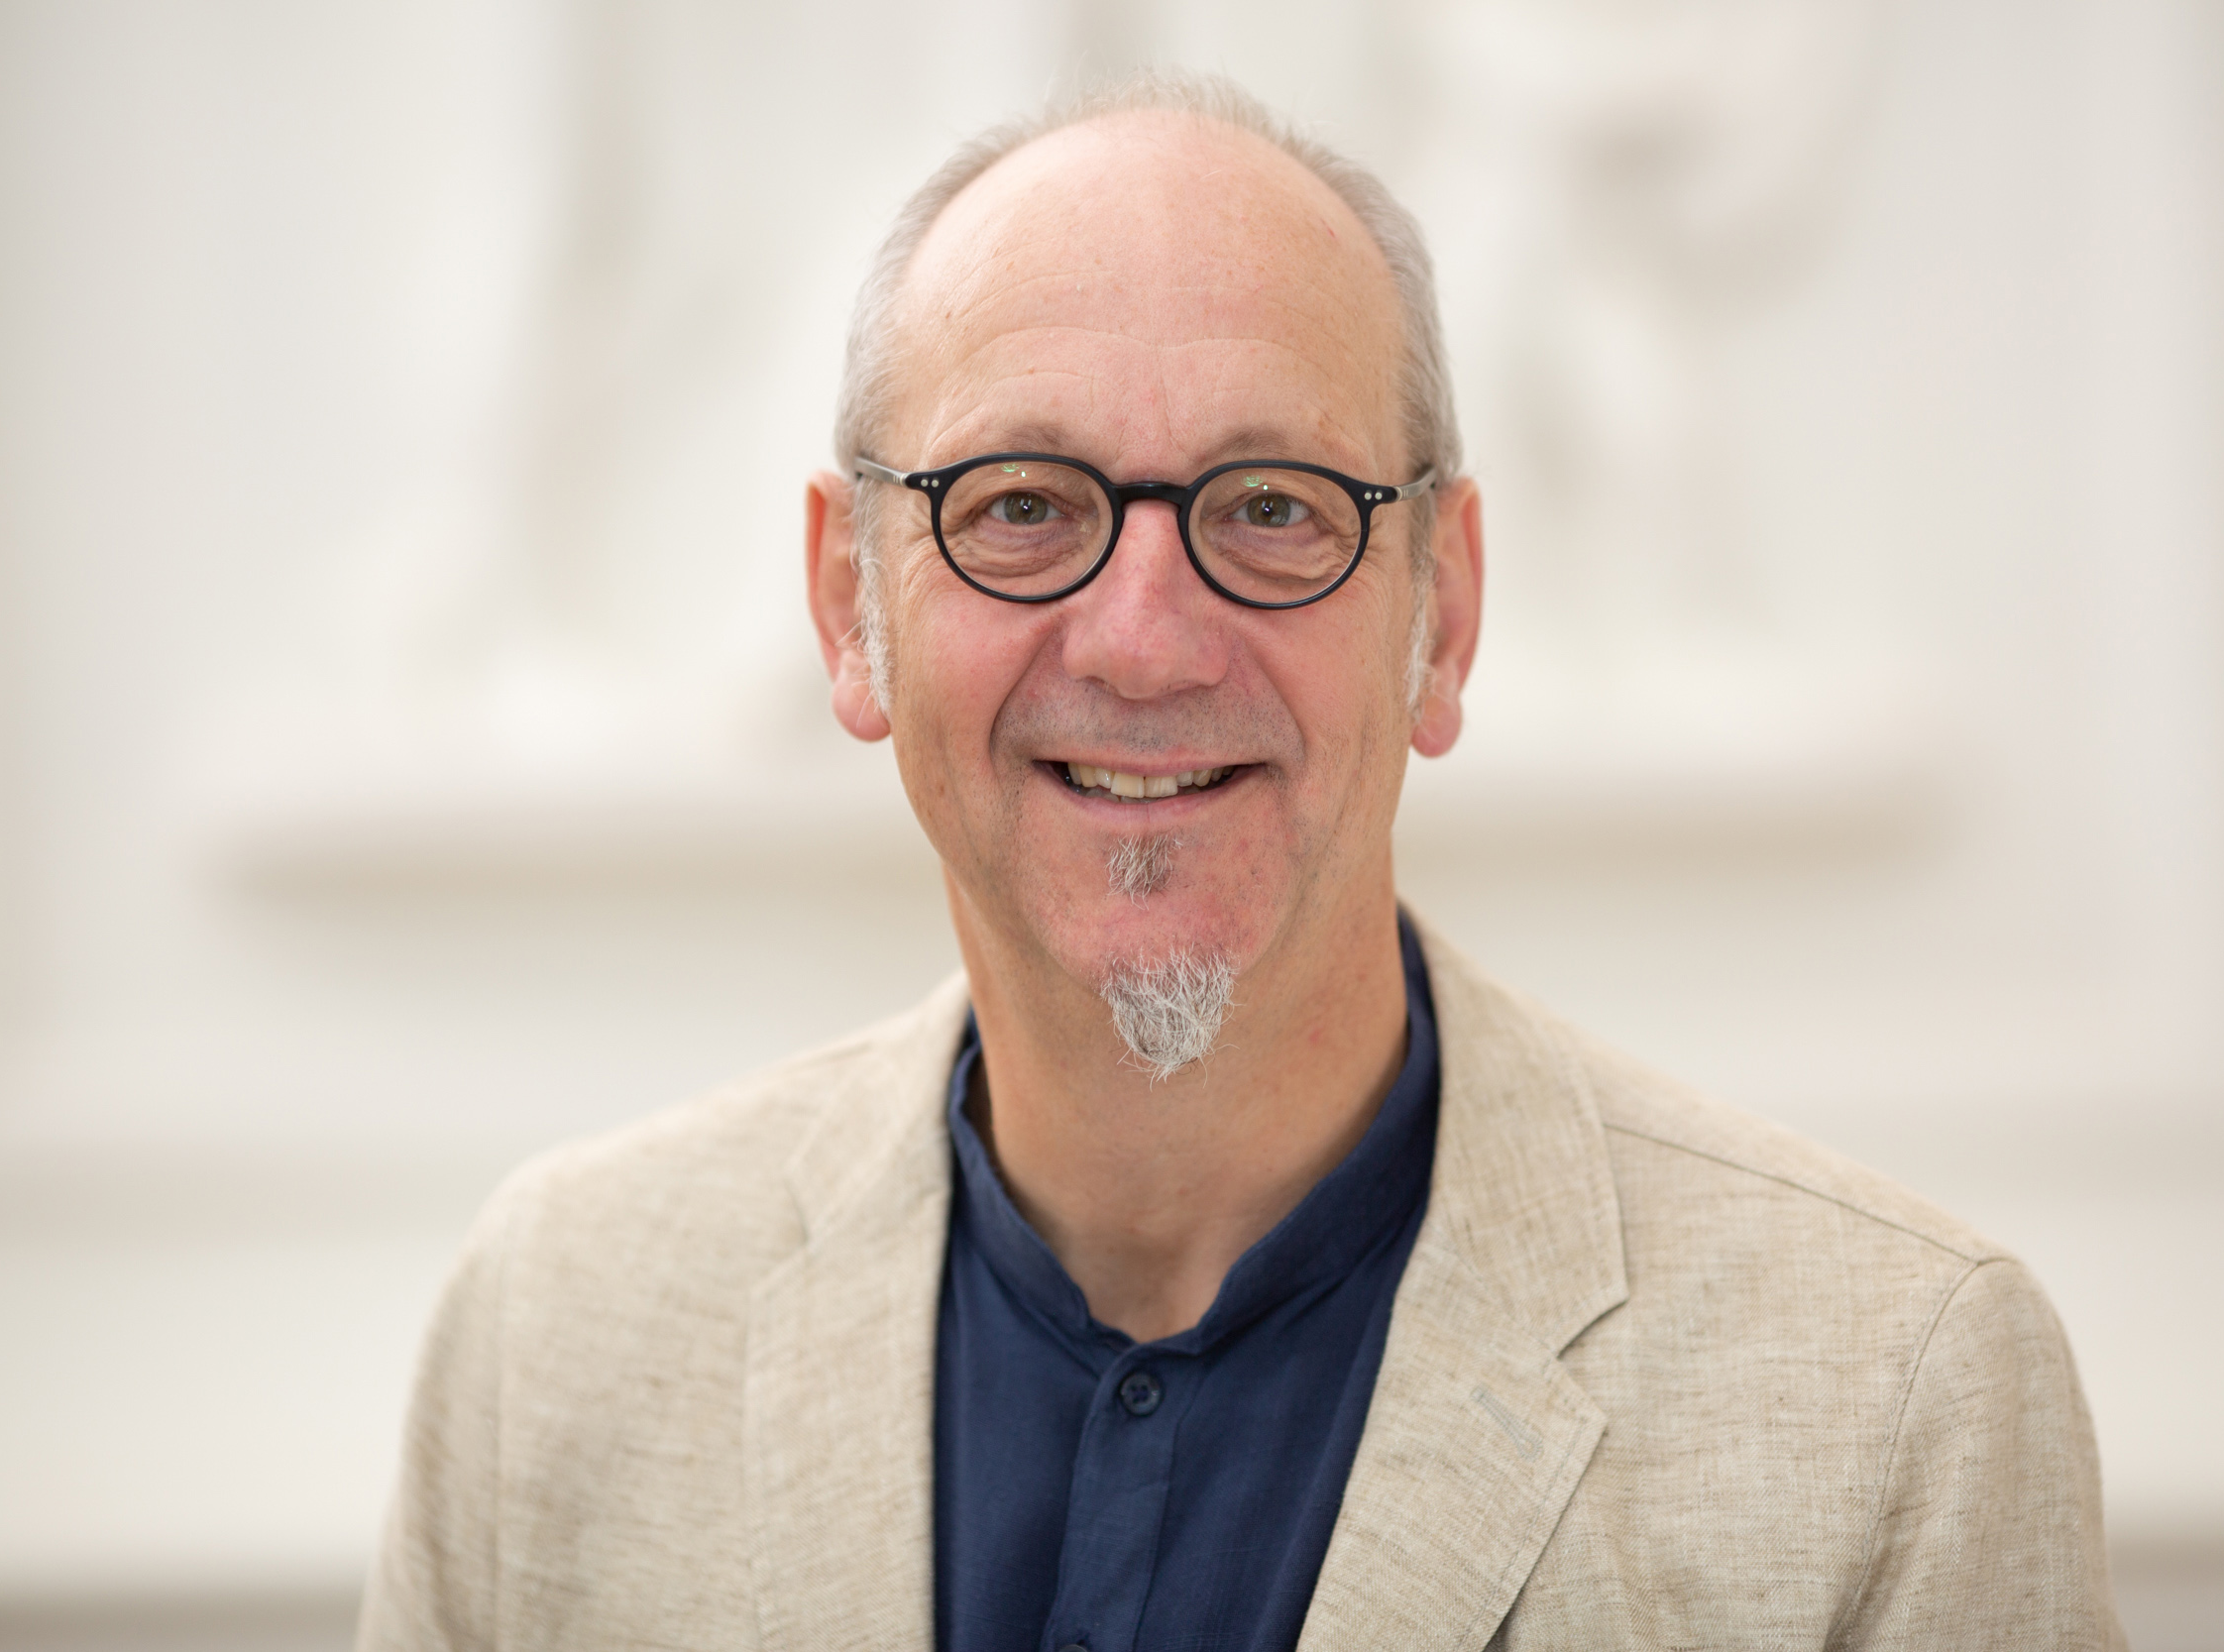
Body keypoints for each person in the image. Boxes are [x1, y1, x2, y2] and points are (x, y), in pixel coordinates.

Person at [359, 73, 2126, 1652]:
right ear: (850, 606)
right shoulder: (554, 1344)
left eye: (1273, 504)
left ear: (1444, 616)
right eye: (1023, 504)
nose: (1141, 640)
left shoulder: (1900, 1401)